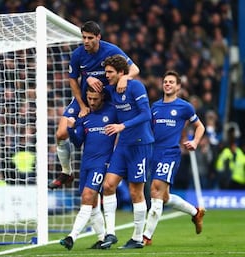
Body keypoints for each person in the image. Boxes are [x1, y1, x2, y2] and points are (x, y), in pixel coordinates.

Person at [48, 21, 140, 189]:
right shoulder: (78, 55)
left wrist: (125, 78)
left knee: (118, 134)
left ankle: (125, 171)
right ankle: (66, 172)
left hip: (107, 101)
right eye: (84, 37)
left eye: (90, 38)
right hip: (84, 99)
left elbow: (135, 69)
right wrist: (82, 106)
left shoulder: (111, 50)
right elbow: (72, 80)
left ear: (98, 37)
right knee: (61, 133)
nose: (86, 41)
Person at [142, 70, 206, 246]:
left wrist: (195, 141)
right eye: (165, 82)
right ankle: (195, 213)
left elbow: (200, 127)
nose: (167, 84)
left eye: (171, 82)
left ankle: (146, 236)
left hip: (170, 153)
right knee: (164, 197)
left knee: (155, 190)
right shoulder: (154, 107)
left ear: (178, 86)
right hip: (154, 153)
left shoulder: (184, 107)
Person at [100, 54, 154, 249]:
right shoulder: (111, 89)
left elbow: (146, 114)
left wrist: (123, 126)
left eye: (110, 72)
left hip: (140, 145)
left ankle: (138, 238)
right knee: (108, 185)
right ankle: (110, 234)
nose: (106, 75)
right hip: (122, 146)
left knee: (135, 192)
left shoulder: (136, 87)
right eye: (105, 72)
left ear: (121, 73)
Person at [59, 87, 118, 250]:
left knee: (87, 196)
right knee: (91, 205)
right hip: (86, 164)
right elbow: (78, 142)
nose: (92, 102)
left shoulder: (113, 112)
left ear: (103, 97)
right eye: (89, 99)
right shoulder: (85, 116)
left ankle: (71, 237)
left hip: (102, 164)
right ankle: (101, 239)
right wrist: (71, 128)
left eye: (95, 99)